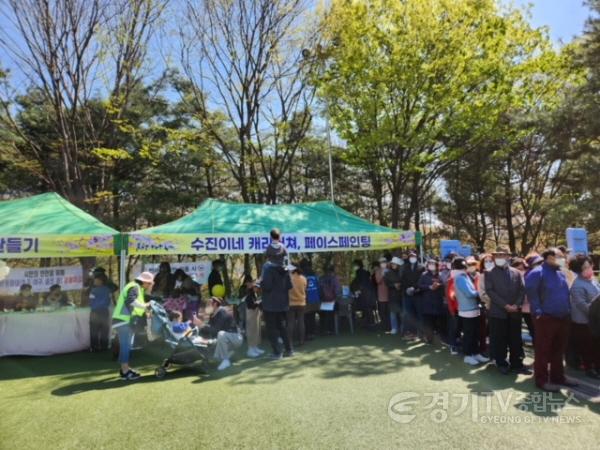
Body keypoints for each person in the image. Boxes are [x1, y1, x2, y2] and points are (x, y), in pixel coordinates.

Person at [525, 248, 579, 392]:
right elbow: (532, 295)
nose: (563, 259)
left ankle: (558, 377)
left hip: (563, 317)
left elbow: (565, 293)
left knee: (559, 349)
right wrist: (538, 313)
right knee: (543, 350)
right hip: (546, 318)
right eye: (560, 256)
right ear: (549, 257)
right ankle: (541, 380)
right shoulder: (536, 273)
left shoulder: (561, 273)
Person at [485, 248, 529, 375]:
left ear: (508, 257)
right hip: (498, 312)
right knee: (500, 339)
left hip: (515, 312)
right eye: (497, 255)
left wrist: (517, 304)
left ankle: (517, 363)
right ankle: (501, 362)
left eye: (503, 255)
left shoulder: (516, 272)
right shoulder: (489, 273)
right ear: (494, 257)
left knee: (515, 339)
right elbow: (490, 291)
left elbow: (522, 290)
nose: (500, 257)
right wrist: (505, 305)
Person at [112, 271, 154, 380]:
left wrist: (144, 309)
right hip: (123, 320)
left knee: (126, 346)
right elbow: (131, 301)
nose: (149, 286)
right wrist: (145, 306)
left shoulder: (136, 287)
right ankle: (125, 372)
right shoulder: (135, 287)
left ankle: (124, 369)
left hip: (123, 320)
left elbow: (134, 306)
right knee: (125, 346)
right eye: (149, 283)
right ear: (144, 282)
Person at [452, 258, 489, 366]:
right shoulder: (460, 278)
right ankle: (468, 355)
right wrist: (479, 293)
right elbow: (469, 293)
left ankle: (475, 353)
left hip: (472, 309)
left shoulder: (463, 277)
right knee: (469, 334)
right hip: (467, 310)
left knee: (474, 333)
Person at [569, 255, 600, 379]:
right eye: (585, 268)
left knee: (597, 346)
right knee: (588, 347)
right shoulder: (577, 286)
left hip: (596, 320)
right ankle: (589, 368)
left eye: (589, 266)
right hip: (584, 322)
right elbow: (584, 307)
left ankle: (597, 366)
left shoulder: (593, 281)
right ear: (577, 270)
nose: (589, 269)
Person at [261, 251, 293, 358]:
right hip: (282, 303)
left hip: (270, 304)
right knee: (282, 327)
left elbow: (267, 286)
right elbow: (289, 286)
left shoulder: (267, 268)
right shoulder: (285, 268)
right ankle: (289, 350)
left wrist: (260, 283)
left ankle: (277, 352)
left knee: (272, 329)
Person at [196, 297, 242, 371]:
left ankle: (225, 360)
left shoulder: (222, 312)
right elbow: (209, 329)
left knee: (221, 334)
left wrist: (202, 325)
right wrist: (200, 329)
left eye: (208, 304)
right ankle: (228, 353)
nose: (206, 306)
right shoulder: (212, 314)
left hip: (235, 338)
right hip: (226, 339)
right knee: (212, 340)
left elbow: (216, 330)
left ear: (215, 304)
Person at [418, 259, 445, 344]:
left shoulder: (440, 275)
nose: (431, 265)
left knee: (438, 322)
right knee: (429, 322)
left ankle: (440, 339)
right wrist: (429, 287)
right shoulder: (424, 275)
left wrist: (439, 285)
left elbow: (444, 285)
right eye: (430, 264)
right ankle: (429, 339)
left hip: (438, 301)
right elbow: (419, 286)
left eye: (433, 264)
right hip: (428, 301)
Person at [239, 274, 265, 358]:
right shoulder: (249, 294)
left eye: (257, 287)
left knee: (256, 330)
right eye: (255, 287)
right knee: (251, 331)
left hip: (256, 314)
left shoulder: (254, 293)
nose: (257, 288)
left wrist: (258, 302)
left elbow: (255, 303)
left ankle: (255, 347)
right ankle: (250, 350)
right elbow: (251, 305)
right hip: (250, 314)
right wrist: (258, 302)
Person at [401, 251, 423, 339]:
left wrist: (414, 288)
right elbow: (403, 280)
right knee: (409, 314)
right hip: (408, 295)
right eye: (410, 257)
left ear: (416, 257)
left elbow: (421, 280)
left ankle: (421, 333)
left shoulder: (421, 267)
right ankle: (411, 332)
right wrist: (407, 288)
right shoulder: (405, 268)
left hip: (418, 294)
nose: (412, 258)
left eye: (413, 256)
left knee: (419, 314)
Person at [89, 273, 113, 352]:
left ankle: (94, 347)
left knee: (94, 330)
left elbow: (91, 302)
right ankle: (104, 347)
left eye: (96, 280)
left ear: (100, 281)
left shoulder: (93, 290)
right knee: (104, 330)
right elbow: (109, 301)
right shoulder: (108, 290)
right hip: (104, 312)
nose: (94, 281)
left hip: (95, 312)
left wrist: (96, 306)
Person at [350, 259, 377, 327]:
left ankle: (370, 324)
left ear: (357, 265)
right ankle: (369, 324)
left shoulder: (360, 273)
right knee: (367, 309)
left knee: (368, 309)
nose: (353, 267)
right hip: (367, 293)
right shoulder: (363, 272)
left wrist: (358, 290)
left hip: (366, 294)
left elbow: (361, 283)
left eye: (354, 265)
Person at [300, 258, 320, 340]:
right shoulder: (314, 274)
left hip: (306, 299)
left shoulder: (302, 275)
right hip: (315, 298)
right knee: (312, 316)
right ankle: (312, 333)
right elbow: (318, 286)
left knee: (305, 317)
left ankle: (307, 334)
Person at [318, 264, 342, 335]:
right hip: (333, 300)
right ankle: (332, 329)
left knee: (323, 315)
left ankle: (324, 329)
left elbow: (319, 290)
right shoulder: (335, 278)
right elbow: (337, 291)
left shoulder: (321, 278)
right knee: (332, 314)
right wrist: (336, 298)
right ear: (333, 270)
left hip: (323, 300)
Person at [287, 264, 307, 346]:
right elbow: (305, 288)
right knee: (301, 322)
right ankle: (301, 341)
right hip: (301, 302)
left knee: (290, 322)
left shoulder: (288, 278)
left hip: (291, 302)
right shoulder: (303, 278)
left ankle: (289, 342)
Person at [384, 257, 404, 335]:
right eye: (392, 263)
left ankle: (403, 328)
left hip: (401, 295)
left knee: (402, 313)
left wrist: (400, 285)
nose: (393, 265)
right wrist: (393, 285)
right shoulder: (388, 272)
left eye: (395, 264)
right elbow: (386, 283)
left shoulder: (401, 272)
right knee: (393, 313)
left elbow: (405, 281)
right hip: (392, 295)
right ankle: (394, 328)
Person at [373, 257, 390, 331]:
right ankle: (384, 326)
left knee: (389, 311)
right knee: (382, 311)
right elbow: (378, 281)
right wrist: (382, 275)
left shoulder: (389, 270)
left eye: (384, 262)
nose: (383, 264)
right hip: (381, 295)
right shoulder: (378, 271)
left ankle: (390, 326)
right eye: (382, 263)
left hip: (390, 294)